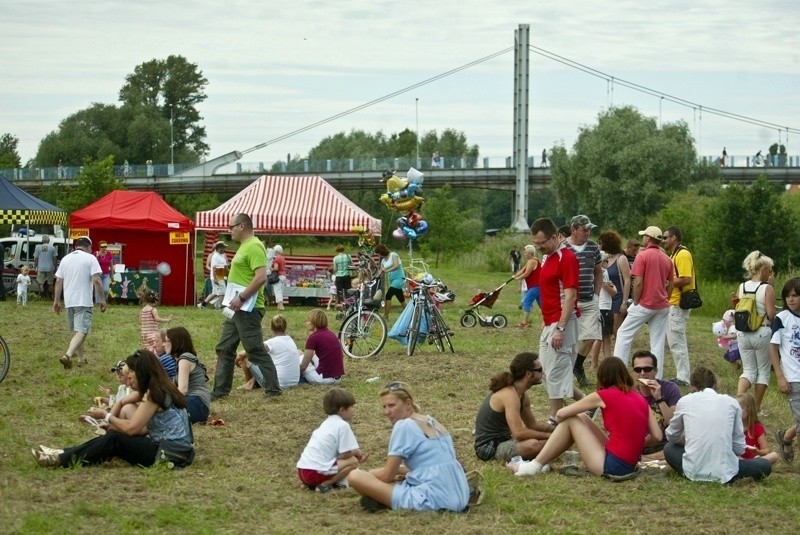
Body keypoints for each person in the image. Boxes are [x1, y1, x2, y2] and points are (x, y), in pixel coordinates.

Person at [32, 349, 195, 469]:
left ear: (142, 373)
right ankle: (61, 453)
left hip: (170, 453)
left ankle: (61, 459)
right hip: (178, 451)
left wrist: (106, 416)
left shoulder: (154, 394)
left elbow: (132, 429)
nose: (129, 382)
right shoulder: (162, 388)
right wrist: (112, 426)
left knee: (114, 441)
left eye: (131, 375)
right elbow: (147, 428)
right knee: (114, 436)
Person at [511, 357, 661, 478]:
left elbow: (560, 414)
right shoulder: (639, 397)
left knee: (571, 419)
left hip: (612, 467)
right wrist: (633, 446)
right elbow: (658, 436)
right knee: (582, 417)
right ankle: (543, 462)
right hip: (630, 463)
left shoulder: (604, 395)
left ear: (602, 377)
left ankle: (534, 465)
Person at [349, 381, 469, 513]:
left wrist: (371, 474)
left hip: (434, 499)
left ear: (408, 403)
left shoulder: (404, 426)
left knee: (355, 476)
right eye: (384, 407)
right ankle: (384, 499)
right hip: (459, 495)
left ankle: (384, 501)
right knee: (393, 480)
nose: (386, 412)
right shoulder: (432, 422)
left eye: (391, 405)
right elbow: (431, 467)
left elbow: (387, 476)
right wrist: (401, 472)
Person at [211, 213, 282, 400]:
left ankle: (274, 389)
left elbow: (260, 277)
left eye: (231, 226)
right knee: (224, 348)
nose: (229, 230)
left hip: (248, 308)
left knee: (254, 350)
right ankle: (220, 391)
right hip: (237, 308)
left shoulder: (254, 246)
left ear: (242, 226)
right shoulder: (245, 247)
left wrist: (241, 297)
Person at [664, 366, 772, 483]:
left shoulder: (685, 401)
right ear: (716, 384)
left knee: (669, 448)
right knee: (764, 465)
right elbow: (739, 448)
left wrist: (686, 441)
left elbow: (671, 435)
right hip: (726, 471)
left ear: (692, 387)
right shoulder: (731, 403)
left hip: (693, 470)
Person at [529, 218, 584, 417]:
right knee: (545, 371)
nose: (539, 247)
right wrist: (545, 319)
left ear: (554, 237)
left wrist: (560, 328)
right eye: (536, 243)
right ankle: (587, 403)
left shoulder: (566, 258)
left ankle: (556, 419)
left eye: (542, 243)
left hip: (563, 323)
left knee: (555, 373)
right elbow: (548, 290)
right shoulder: (547, 257)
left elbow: (570, 296)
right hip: (550, 321)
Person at [612, 226, 673, 373]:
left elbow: (638, 282)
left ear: (649, 238)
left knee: (623, 334)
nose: (643, 238)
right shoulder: (666, 258)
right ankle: (656, 376)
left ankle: (617, 372)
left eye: (644, 236)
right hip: (662, 304)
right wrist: (666, 297)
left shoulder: (642, 256)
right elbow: (671, 283)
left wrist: (637, 301)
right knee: (657, 342)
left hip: (645, 303)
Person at [474, 352, 553, 462]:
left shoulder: (522, 395)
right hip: (489, 447)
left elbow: (532, 424)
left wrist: (556, 430)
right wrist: (550, 436)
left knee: (554, 442)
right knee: (534, 445)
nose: (542, 373)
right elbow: (519, 433)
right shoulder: (509, 394)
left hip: (505, 440)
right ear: (528, 374)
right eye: (539, 370)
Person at [296, 388, 368, 493]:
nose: (354, 410)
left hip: (302, 471)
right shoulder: (342, 425)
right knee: (353, 462)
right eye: (352, 407)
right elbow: (345, 454)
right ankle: (325, 484)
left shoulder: (326, 424)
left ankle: (308, 484)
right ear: (342, 410)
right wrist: (357, 452)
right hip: (314, 474)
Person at [53, 236, 106, 369]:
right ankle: (68, 355)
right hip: (83, 300)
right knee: (82, 330)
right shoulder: (90, 258)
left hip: (69, 301)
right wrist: (102, 299)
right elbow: (97, 280)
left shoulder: (65, 259)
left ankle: (81, 359)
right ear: (88, 247)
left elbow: (59, 281)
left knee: (78, 330)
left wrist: (56, 301)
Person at [563, 215, 603, 388]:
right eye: (584, 229)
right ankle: (563, 371)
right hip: (568, 300)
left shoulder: (593, 247)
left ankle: (577, 366)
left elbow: (598, 272)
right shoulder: (562, 248)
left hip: (589, 299)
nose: (587, 233)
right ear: (573, 229)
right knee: (566, 339)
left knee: (590, 336)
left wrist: (596, 294)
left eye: (589, 230)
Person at [736, 251, 776, 412]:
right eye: (770, 270)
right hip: (762, 332)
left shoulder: (742, 286)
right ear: (763, 269)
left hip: (743, 334)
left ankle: (738, 399)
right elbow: (771, 314)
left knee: (749, 371)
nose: (771, 273)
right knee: (763, 372)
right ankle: (757, 408)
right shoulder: (767, 288)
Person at [769, 276, 800, 465]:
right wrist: (780, 375)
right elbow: (773, 347)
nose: (791, 299)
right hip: (793, 377)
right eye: (788, 296)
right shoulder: (782, 319)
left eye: (795, 295)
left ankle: (786, 437)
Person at [631, 350, 681, 458]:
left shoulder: (670, 388)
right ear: (633, 373)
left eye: (647, 369)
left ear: (655, 371)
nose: (643, 373)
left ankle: (647, 459)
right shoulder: (630, 394)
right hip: (643, 444)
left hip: (666, 444)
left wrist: (659, 399)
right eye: (638, 370)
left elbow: (674, 423)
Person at [663, 226, 696, 386]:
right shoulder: (674, 254)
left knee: (677, 341)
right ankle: (682, 375)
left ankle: (683, 377)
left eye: (665, 237)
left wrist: (666, 282)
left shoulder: (682, 254)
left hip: (678, 302)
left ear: (674, 238)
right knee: (673, 340)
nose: (664, 240)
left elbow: (686, 279)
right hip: (673, 302)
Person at [236, 314, 301, 389]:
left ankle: (250, 384)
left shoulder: (271, 343)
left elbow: (246, 353)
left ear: (271, 328)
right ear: (286, 327)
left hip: (276, 384)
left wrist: (238, 358)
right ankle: (252, 381)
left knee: (246, 358)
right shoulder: (290, 340)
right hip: (294, 382)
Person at [166, 327, 211, 424]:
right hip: (198, 403)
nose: (164, 344)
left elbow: (182, 389)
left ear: (176, 342)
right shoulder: (182, 359)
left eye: (167, 341)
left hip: (196, 402)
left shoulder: (185, 359)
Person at [597, 230, 631, 335]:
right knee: (605, 332)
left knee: (617, 331)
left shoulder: (621, 258)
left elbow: (627, 280)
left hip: (618, 299)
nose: (599, 245)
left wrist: (624, 302)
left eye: (601, 242)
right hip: (605, 299)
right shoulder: (604, 258)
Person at [300, 309, 344, 385]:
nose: (307, 323)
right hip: (337, 379)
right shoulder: (331, 333)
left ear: (313, 322)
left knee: (300, 357)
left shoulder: (313, 337)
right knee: (312, 355)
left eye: (308, 320)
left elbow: (304, 366)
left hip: (323, 379)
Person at [736, 393, 779, 465]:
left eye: (740, 408)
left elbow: (766, 450)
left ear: (749, 410)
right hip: (738, 458)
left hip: (754, 458)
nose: (736, 411)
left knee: (774, 455)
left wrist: (757, 452)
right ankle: (751, 466)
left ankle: (751, 465)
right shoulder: (732, 426)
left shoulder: (757, 427)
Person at [511, 245, 540, 328]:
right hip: (536, 286)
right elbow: (522, 270)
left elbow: (526, 274)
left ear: (530, 253)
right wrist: (515, 275)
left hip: (535, 286)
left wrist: (517, 278)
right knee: (542, 305)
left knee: (527, 302)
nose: (524, 254)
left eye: (525, 252)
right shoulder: (530, 261)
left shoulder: (532, 261)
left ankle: (524, 323)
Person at [375, 244, 404, 320]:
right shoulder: (383, 261)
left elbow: (396, 265)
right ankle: (410, 312)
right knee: (401, 299)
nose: (379, 255)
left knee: (388, 295)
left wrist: (387, 271)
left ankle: (385, 316)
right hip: (392, 280)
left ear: (382, 251)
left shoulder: (393, 255)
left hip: (399, 279)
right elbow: (381, 271)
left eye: (378, 253)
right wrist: (375, 277)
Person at [200, 241, 228, 308]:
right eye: (223, 248)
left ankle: (202, 304)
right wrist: (215, 279)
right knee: (223, 292)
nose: (224, 249)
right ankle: (220, 306)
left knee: (215, 292)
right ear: (219, 248)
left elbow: (224, 265)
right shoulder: (215, 256)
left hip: (220, 274)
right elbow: (214, 267)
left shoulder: (221, 255)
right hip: (217, 275)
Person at [271, 244, 286, 311]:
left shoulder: (277, 258)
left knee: (277, 291)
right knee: (281, 291)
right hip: (283, 275)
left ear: (276, 251)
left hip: (278, 276)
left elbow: (276, 268)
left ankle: (281, 305)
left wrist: (271, 269)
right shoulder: (282, 258)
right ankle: (279, 305)